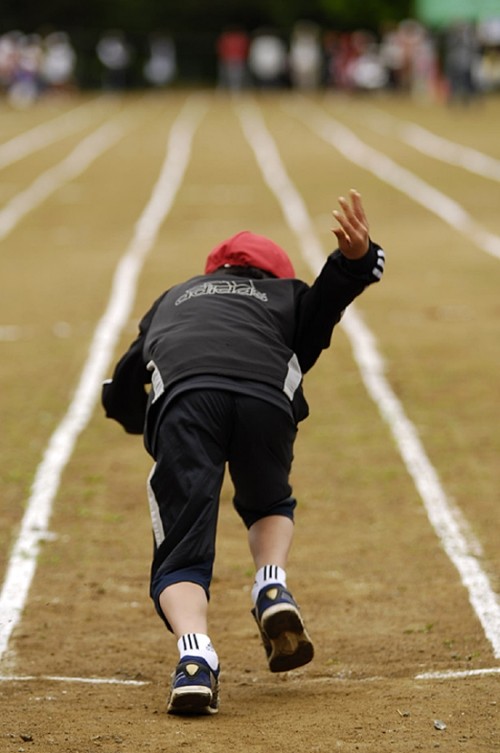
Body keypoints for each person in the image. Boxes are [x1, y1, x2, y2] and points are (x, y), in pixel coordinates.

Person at [102, 190, 385, 715]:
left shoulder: (174, 297)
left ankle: (195, 659)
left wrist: (144, 423)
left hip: (187, 397)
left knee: (183, 550)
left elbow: (122, 386)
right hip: (264, 398)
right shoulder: (287, 297)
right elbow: (328, 299)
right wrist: (357, 259)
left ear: (212, 272)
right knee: (268, 500)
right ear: (276, 275)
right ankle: (272, 586)